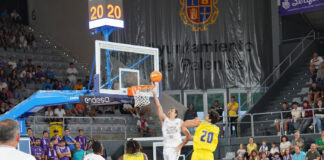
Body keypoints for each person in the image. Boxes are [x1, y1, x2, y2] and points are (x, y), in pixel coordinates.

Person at [152, 84, 191, 160]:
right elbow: (158, 106)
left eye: (172, 110)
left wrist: (181, 145)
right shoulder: (165, 119)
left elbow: (188, 135)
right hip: (166, 148)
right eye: (169, 110)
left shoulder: (179, 121)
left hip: (174, 148)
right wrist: (154, 93)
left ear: (176, 114)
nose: (169, 111)